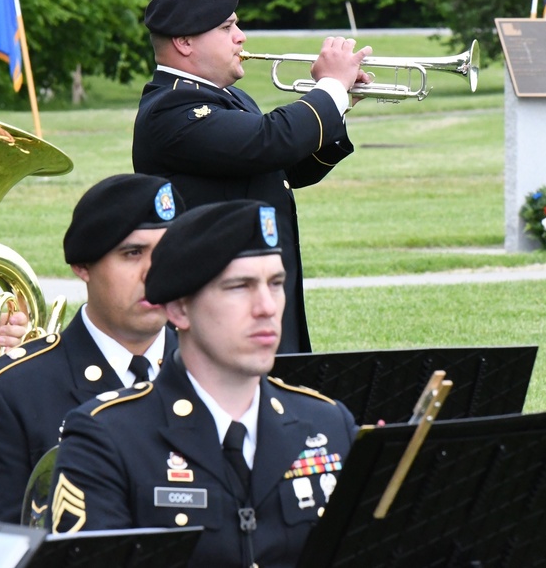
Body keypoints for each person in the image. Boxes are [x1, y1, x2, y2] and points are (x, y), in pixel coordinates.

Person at [50, 200, 357, 568]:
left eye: (275, 284)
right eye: (239, 286)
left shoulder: (326, 424)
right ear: (179, 310)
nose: (267, 307)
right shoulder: (107, 438)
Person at [131, 0, 372, 354]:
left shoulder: (232, 99)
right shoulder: (171, 108)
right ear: (184, 41)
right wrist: (329, 90)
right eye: (227, 27)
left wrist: (339, 106)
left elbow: (286, 168)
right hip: (218, 306)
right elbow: (269, 140)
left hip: (258, 289)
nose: (241, 36)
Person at [0, 173, 185, 523]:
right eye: (132, 253)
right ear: (82, 265)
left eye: (168, 251)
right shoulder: (14, 391)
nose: (155, 272)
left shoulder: (213, 371)